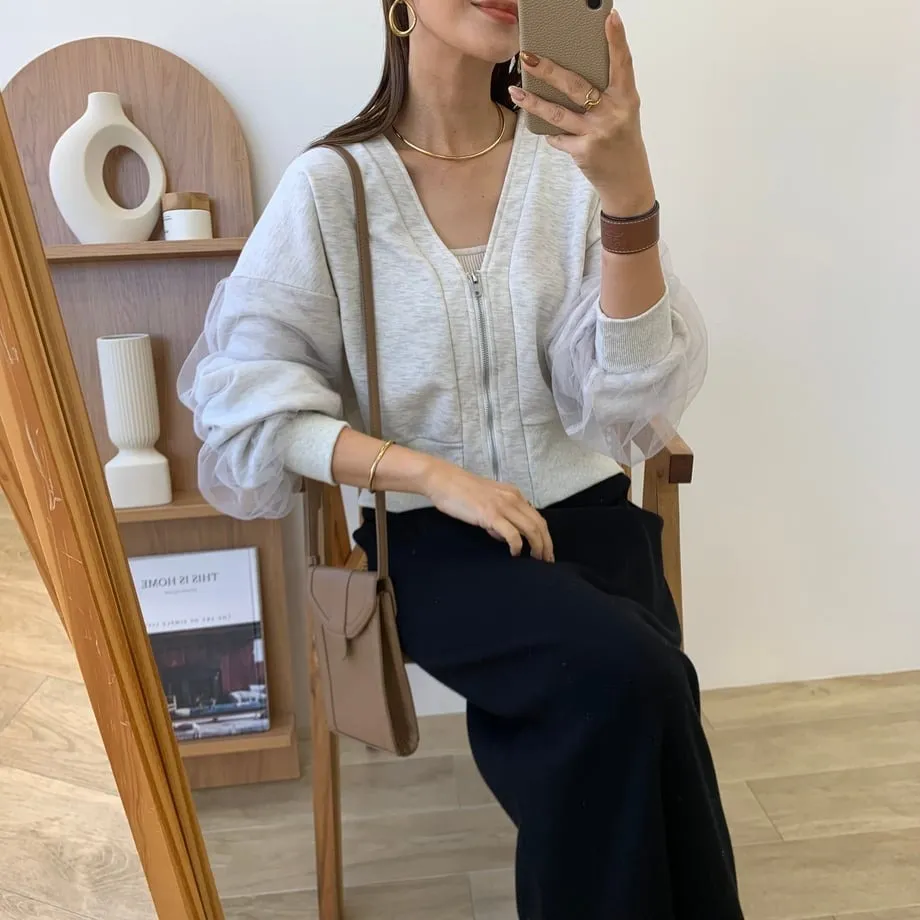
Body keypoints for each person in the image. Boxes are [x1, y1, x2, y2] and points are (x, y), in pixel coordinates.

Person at [178, 1, 743, 917]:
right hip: (433, 545)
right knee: (633, 682)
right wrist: (434, 475)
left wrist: (627, 200)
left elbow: (627, 397)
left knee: (627, 698)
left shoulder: (568, 171)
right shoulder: (332, 189)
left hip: (592, 522)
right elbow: (244, 408)